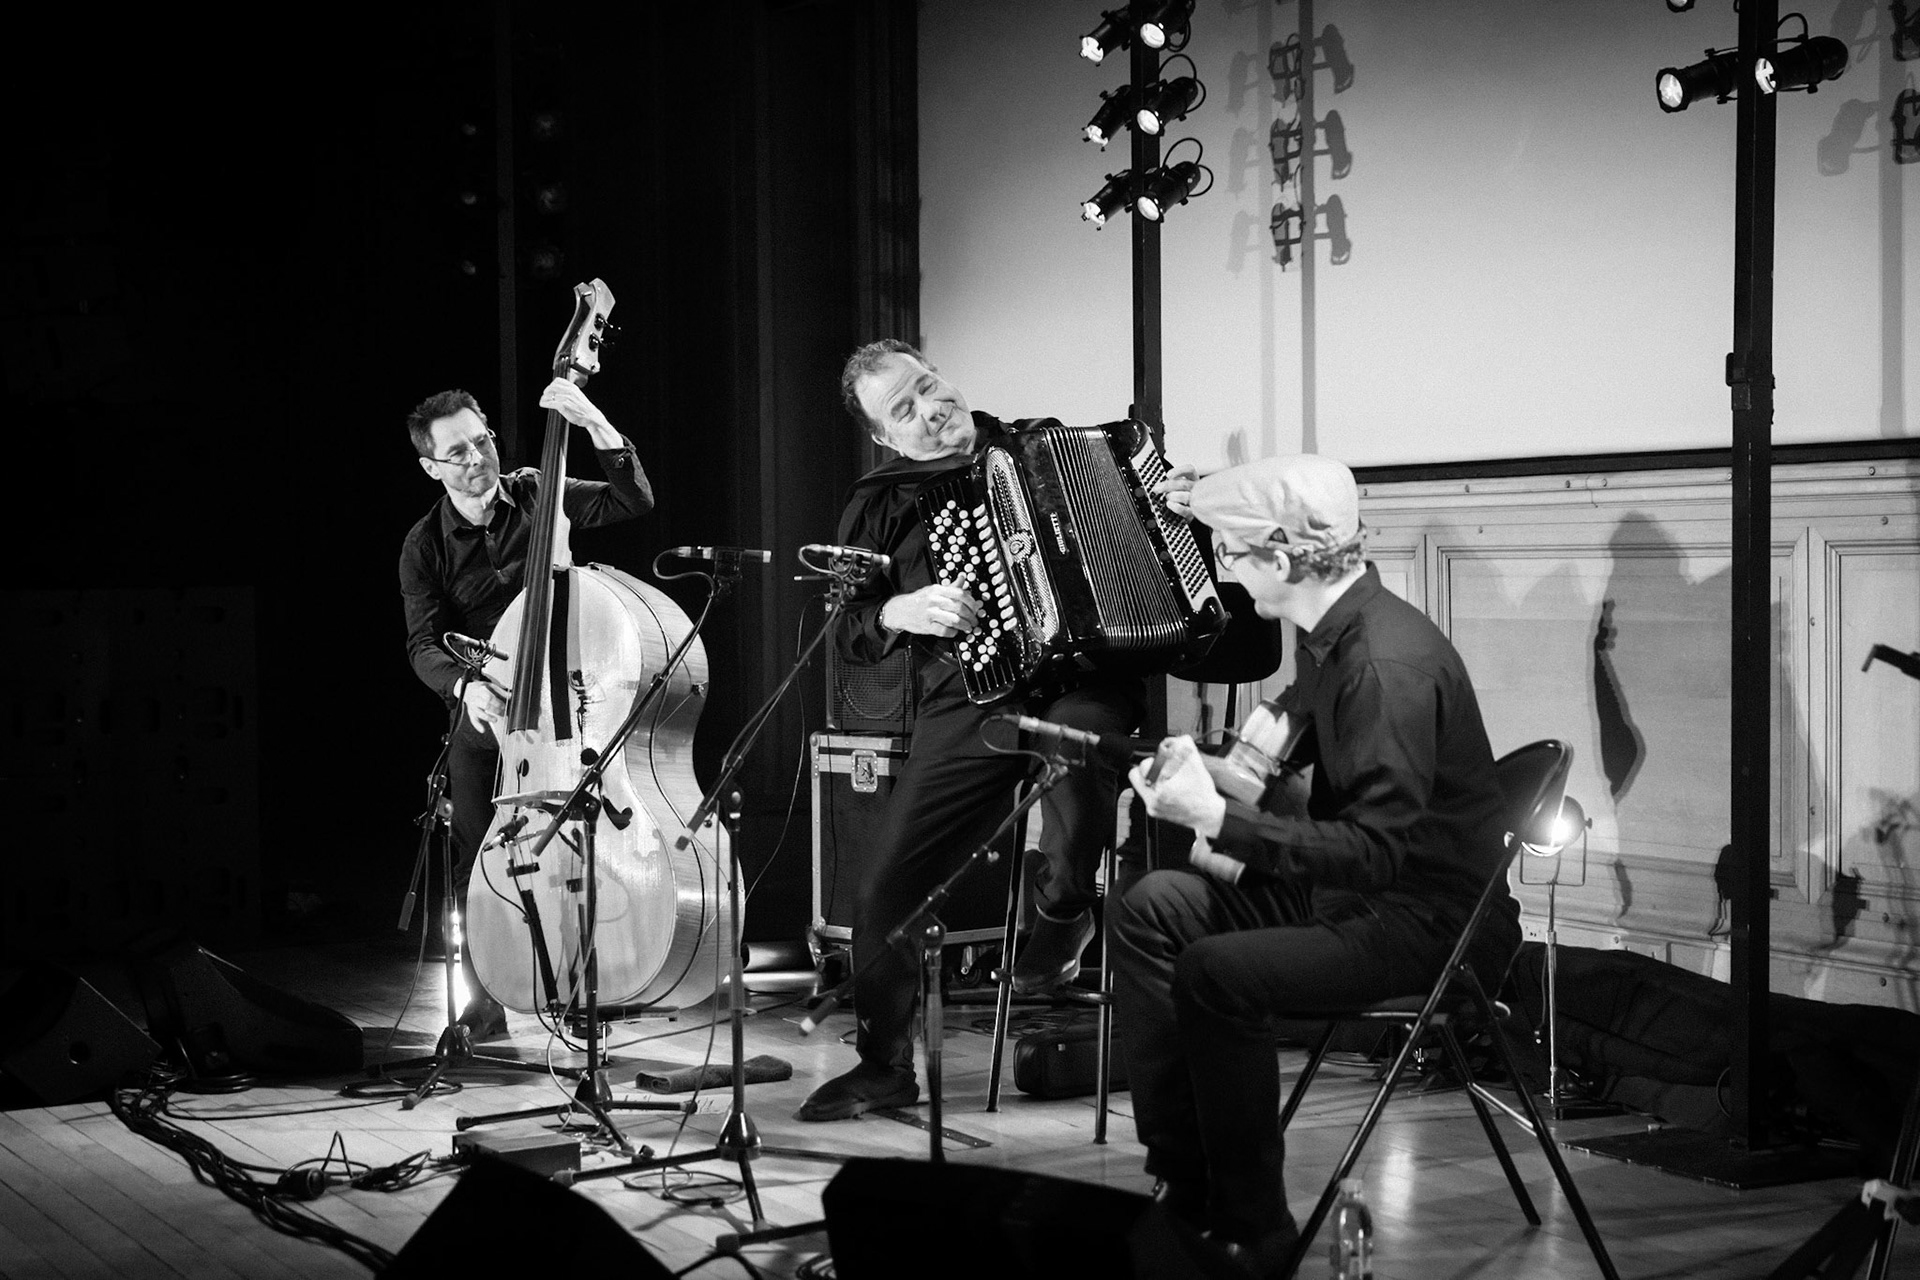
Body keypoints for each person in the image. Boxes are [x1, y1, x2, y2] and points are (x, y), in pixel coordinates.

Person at [1115, 454, 1520, 1275]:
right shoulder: (1332, 639)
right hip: (1351, 899)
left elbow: (1376, 855)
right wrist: (1205, 774)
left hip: (1423, 924)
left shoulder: (1381, 665)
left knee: (1218, 974)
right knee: (1152, 905)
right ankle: (1185, 1187)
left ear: (1279, 553)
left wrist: (1217, 816)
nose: (1224, 570)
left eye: (1229, 551)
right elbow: (1290, 774)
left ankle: (1250, 1227)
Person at [796, 338, 1195, 1121]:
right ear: (885, 435)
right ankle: (884, 1065)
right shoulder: (880, 500)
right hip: (970, 700)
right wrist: (895, 610)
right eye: (902, 409)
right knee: (884, 888)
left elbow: (1154, 542)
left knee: (1077, 772)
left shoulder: (1047, 447)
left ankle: (1059, 916)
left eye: (927, 387)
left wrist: (1174, 505)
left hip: (1081, 682)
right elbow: (846, 627)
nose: (928, 410)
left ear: (944, 376)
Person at [397, 378, 654, 1039]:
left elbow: (635, 500)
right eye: (458, 451)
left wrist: (594, 422)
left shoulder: (538, 490)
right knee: (476, 854)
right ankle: (484, 999)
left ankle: (583, 979)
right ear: (431, 467)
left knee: (586, 837)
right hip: (489, 707)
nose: (478, 457)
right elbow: (423, 646)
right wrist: (465, 687)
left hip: (570, 702)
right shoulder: (424, 544)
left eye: (482, 440)